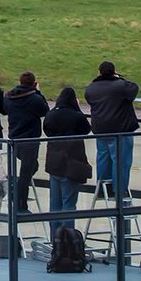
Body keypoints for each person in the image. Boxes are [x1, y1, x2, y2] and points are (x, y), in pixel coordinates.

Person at [85, 60, 140, 201]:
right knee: (121, 161)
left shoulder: (91, 88)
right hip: (120, 130)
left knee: (103, 159)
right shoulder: (120, 86)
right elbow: (134, 88)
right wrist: (119, 78)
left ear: (99, 72)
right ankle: (120, 191)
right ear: (113, 72)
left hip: (101, 129)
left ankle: (103, 189)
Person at [43, 87, 93, 238]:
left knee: (55, 205)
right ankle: (68, 240)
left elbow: (47, 130)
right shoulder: (77, 116)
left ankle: (55, 239)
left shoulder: (51, 114)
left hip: (54, 163)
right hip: (71, 163)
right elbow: (86, 129)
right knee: (69, 205)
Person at [3, 70, 49, 212]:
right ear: (34, 84)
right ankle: (20, 204)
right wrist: (39, 92)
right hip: (30, 140)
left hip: (14, 138)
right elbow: (45, 110)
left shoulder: (9, 97)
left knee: (29, 169)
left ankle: (17, 190)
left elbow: (4, 110)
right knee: (26, 172)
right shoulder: (35, 99)